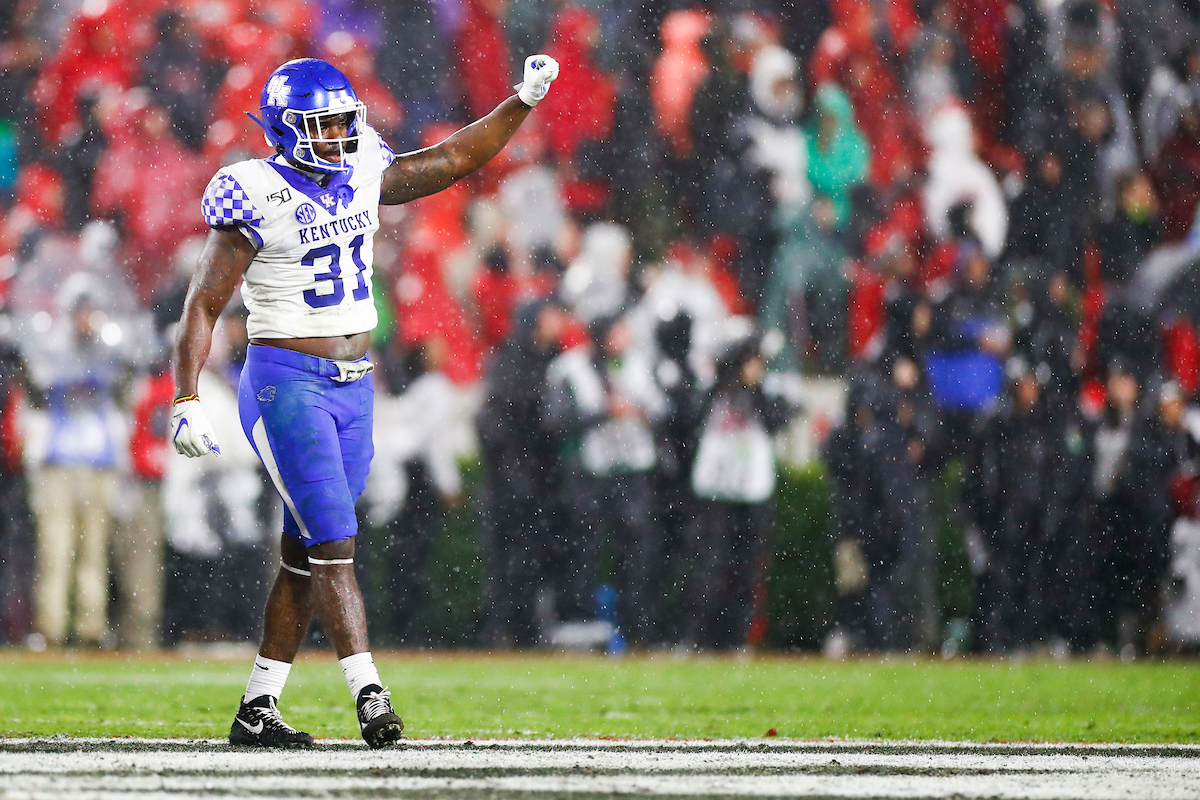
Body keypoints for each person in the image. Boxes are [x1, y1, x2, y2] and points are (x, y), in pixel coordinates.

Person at [170, 55, 560, 748]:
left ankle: (258, 707)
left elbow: (450, 159)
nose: (340, 137)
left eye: (346, 122)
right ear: (287, 130)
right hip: (286, 378)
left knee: (305, 550)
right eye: (323, 126)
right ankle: (369, 691)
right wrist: (186, 396)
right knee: (335, 542)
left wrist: (522, 100)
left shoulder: (361, 171)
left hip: (355, 385)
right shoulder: (251, 191)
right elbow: (203, 304)